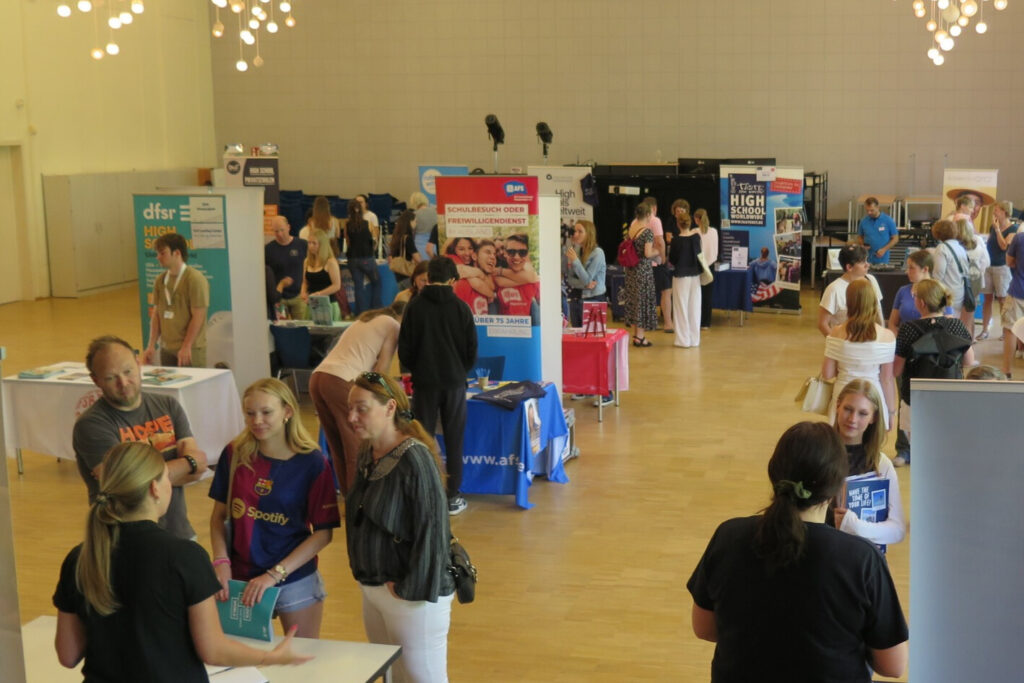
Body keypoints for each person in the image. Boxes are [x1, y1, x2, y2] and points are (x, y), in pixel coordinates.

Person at [54, 442, 311, 681]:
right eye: (167, 477)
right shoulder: (184, 557)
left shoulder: (80, 558)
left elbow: (68, 655)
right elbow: (213, 650)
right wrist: (270, 657)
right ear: (154, 488)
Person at [687, 421, 908, 682]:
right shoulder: (861, 558)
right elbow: (893, 665)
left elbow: (704, 628)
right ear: (836, 485)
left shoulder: (728, 537)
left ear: (774, 474)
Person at [344, 372, 456, 683]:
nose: (352, 417)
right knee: (392, 676)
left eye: (362, 408)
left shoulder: (414, 458)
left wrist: (409, 590)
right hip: (374, 588)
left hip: (412, 597)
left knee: (423, 678)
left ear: (390, 407)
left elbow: (433, 532)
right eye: (350, 408)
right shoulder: (368, 451)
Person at [209, 378, 340, 638]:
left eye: (266, 412)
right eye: (250, 413)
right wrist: (221, 561)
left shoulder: (313, 463)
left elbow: (323, 533)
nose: (257, 420)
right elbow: (218, 517)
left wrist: (274, 574)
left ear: (287, 412)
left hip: (294, 578)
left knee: (300, 658)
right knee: (246, 658)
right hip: (241, 577)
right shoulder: (234, 453)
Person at [73, 335, 207, 540]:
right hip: (123, 541)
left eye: (128, 371)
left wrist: (146, 478)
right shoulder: (91, 425)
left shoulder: (168, 405)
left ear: (138, 364)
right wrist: (187, 463)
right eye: (111, 378)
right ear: (96, 380)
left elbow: (198, 469)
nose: (123, 383)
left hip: (178, 533)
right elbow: (128, 486)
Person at [398, 257, 477, 515]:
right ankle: (452, 495)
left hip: (424, 384)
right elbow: (471, 351)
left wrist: (418, 370)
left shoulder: (414, 307)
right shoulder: (461, 308)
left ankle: (425, 492)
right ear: (453, 280)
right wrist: (459, 371)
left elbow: (405, 350)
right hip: (454, 384)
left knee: (423, 439)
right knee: (454, 440)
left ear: (429, 278)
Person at [309, 302, 404, 493]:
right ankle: (357, 500)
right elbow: (380, 372)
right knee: (356, 449)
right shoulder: (393, 325)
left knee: (338, 448)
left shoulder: (366, 319)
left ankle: (348, 496)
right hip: (341, 380)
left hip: (318, 377)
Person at [891, 278, 974, 466]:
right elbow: (969, 361)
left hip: (916, 398)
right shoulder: (957, 326)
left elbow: (897, 370)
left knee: (920, 448)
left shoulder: (908, 329)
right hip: (949, 396)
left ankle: (910, 456)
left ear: (921, 302)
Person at [831, 380, 907, 547]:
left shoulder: (881, 464)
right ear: (838, 406)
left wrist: (856, 526)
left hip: (865, 557)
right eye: (848, 409)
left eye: (863, 413)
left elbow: (898, 530)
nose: (852, 419)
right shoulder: (819, 454)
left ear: (874, 417)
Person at [822, 279, 896, 430]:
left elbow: (827, 374)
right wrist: (891, 412)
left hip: (843, 394)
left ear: (848, 303)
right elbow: (887, 380)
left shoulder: (836, 332)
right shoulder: (887, 336)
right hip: (872, 396)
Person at [140, 232, 210, 367]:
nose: (158, 257)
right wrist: (151, 345)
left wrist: (186, 346)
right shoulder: (160, 280)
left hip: (190, 349)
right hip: (167, 348)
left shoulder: (195, 279)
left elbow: (198, 316)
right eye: (157, 253)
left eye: (162, 253)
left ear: (177, 253)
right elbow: (156, 315)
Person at [818, 244, 884, 336]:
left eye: (867, 260)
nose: (867, 265)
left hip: (872, 339)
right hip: (846, 340)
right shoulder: (834, 289)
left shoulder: (871, 280)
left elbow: (878, 313)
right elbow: (822, 324)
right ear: (849, 267)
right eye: (862, 262)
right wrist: (835, 341)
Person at [981, 201, 1018, 340]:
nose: (994, 212)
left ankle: (1004, 332)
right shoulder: (992, 226)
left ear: (1004, 212)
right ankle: (985, 330)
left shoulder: (1013, 228)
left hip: (1002, 268)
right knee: (987, 299)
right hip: (988, 266)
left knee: (1002, 300)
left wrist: (997, 229)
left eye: (997, 210)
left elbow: (1004, 246)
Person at [623, 202, 657, 346]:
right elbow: (647, 253)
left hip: (631, 270)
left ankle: (636, 334)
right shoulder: (647, 232)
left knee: (635, 302)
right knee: (642, 302)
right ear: (648, 214)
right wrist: (658, 251)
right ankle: (640, 337)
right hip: (643, 271)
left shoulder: (632, 229)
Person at [562, 219, 607, 327]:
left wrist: (575, 261)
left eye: (580, 231)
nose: (575, 234)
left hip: (594, 299)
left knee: (592, 334)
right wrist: (585, 284)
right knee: (577, 334)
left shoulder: (598, 253)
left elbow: (587, 279)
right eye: (575, 231)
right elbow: (570, 279)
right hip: (576, 299)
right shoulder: (576, 251)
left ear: (589, 233)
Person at [668, 209, 702, 348]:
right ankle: (694, 339)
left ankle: (683, 340)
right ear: (689, 223)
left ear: (678, 224)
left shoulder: (675, 240)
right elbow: (699, 255)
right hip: (695, 275)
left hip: (681, 276)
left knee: (681, 307)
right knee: (694, 307)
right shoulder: (696, 237)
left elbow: (672, 259)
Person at [638, 197, 672, 334]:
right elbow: (660, 241)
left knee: (646, 293)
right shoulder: (655, 220)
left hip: (641, 263)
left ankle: (647, 323)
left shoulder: (635, 221)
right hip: (655, 261)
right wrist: (662, 258)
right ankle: (668, 323)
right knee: (666, 291)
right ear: (654, 208)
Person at [265, 215, 308, 320]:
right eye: (276, 231)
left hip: (299, 296)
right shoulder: (268, 249)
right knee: (281, 326)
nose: (279, 234)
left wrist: (306, 290)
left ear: (288, 227)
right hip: (280, 298)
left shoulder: (302, 244)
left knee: (301, 326)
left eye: (282, 230)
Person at [345, 198, 382, 314]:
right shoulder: (367, 224)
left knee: (358, 286)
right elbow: (374, 241)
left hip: (352, 259)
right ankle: (376, 309)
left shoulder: (347, 225)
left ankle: (361, 313)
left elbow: (348, 242)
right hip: (366, 257)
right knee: (377, 282)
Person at [887, 249, 936, 333]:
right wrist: (898, 338)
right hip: (904, 338)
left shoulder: (939, 292)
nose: (907, 271)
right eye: (907, 267)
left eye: (911, 268)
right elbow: (892, 323)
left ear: (925, 269)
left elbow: (947, 322)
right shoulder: (903, 291)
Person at [494, 233, 540, 318]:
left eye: (522, 252)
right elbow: (499, 282)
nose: (517, 256)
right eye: (511, 252)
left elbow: (531, 277)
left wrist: (500, 271)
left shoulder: (530, 273)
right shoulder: (496, 274)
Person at [957, 217, 989, 339]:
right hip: (975, 282)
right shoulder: (978, 246)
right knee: (970, 313)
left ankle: (965, 340)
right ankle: (971, 338)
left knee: (961, 316)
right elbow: (987, 262)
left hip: (961, 283)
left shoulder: (957, 248)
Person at [300, 229, 342, 320]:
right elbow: (305, 282)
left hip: (328, 304)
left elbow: (337, 285)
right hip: (312, 304)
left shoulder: (331, 262)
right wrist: (303, 292)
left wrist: (319, 294)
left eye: (314, 243)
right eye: (309, 243)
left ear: (322, 245)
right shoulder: (306, 261)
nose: (311, 246)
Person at [929, 218, 968, 315]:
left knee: (944, 320)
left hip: (946, 292)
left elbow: (938, 274)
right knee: (954, 319)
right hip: (960, 290)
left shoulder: (942, 248)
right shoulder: (960, 247)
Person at [1001, 220, 1024, 378]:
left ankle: (1006, 371)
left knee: (1011, 329)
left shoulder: (1020, 238)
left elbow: (1009, 261)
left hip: (1019, 290)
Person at [454, 238, 500, 315]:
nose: (493, 257)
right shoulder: (463, 283)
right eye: (488, 252)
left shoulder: (495, 280)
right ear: (474, 256)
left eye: (494, 254)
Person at [694, 208, 718, 329]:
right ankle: (706, 323)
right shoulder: (714, 231)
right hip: (710, 265)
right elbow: (715, 250)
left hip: (698, 265)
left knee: (696, 295)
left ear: (696, 219)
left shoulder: (694, 232)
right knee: (708, 295)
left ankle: (696, 321)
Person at [857, 197, 899, 265]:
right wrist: (862, 245)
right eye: (867, 210)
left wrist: (884, 249)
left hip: (882, 258)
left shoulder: (888, 220)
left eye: (872, 210)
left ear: (878, 207)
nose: (869, 213)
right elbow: (860, 237)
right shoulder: (863, 221)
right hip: (867, 258)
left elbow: (895, 238)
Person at [388, 208, 422, 286]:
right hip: (406, 274)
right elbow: (417, 258)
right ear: (410, 222)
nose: (416, 224)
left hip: (397, 274)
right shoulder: (407, 238)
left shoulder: (396, 236)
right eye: (415, 221)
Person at [410, 191, 438, 260]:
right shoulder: (435, 211)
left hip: (419, 244)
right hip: (433, 244)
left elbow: (412, 232)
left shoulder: (414, 215)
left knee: (422, 265)